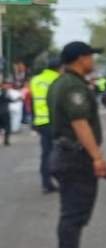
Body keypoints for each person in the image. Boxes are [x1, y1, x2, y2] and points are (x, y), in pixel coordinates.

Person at [47, 42, 106, 248]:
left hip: (65, 154)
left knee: (72, 216)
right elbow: (80, 123)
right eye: (90, 56)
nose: (93, 61)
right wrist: (97, 158)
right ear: (81, 59)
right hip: (75, 157)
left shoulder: (61, 82)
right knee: (73, 218)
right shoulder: (72, 86)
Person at [29, 57, 62, 193]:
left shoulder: (35, 80)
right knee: (60, 151)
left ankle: (46, 183)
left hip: (41, 121)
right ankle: (59, 178)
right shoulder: (59, 80)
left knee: (46, 152)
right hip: (55, 121)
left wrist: (33, 120)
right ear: (60, 68)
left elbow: (31, 101)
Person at [0, 79, 11, 146]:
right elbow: (8, 99)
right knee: (7, 127)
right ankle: (6, 141)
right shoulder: (5, 92)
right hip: (4, 112)